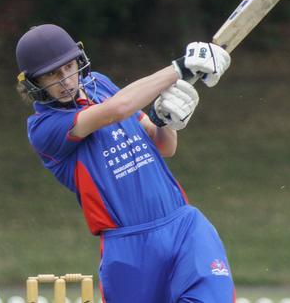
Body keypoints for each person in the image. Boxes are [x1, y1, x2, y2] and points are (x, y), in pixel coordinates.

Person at [15, 24, 235, 303]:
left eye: (69, 67)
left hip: (183, 226)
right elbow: (115, 111)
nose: (66, 80)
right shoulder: (44, 128)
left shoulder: (101, 84)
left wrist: (165, 121)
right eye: (53, 74)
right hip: (129, 247)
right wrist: (180, 68)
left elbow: (164, 146)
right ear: (34, 82)